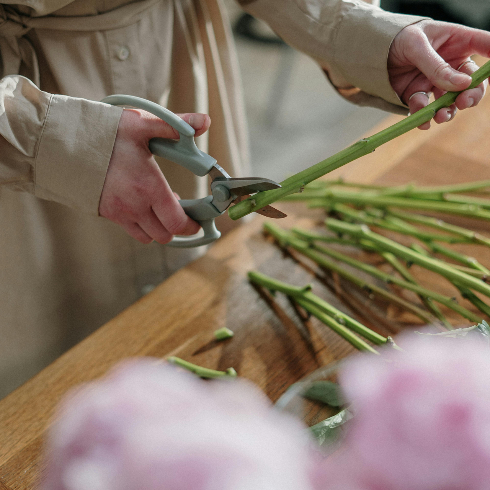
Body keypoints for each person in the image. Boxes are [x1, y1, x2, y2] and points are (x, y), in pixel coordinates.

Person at [0, 0, 489, 397]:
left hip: (178, 47)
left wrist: (361, 33)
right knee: (49, 388)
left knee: (200, 316)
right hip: (20, 141)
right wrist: (54, 141)